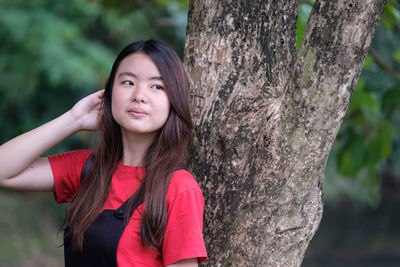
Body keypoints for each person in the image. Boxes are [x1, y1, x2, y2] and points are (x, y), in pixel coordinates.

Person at [0, 39, 207, 266]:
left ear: (173, 101)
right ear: (109, 94)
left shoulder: (180, 188)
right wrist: (74, 119)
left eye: (157, 86)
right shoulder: (87, 169)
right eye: (128, 82)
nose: (139, 95)